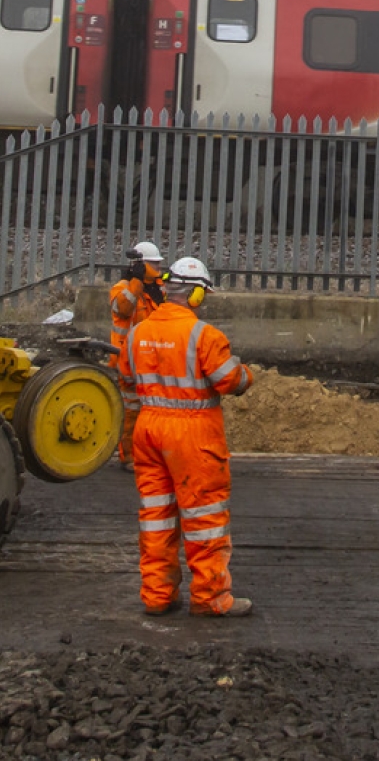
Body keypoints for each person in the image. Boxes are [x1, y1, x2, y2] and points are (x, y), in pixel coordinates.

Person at [118, 255, 253, 618]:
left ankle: (157, 595)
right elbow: (229, 380)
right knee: (204, 515)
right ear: (195, 296)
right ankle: (210, 598)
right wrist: (246, 375)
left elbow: (127, 379)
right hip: (192, 433)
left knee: (156, 515)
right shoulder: (204, 335)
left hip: (148, 430)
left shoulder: (138, 333)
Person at [109, 241, 165, 468]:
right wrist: (135, 283)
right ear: (140, 265)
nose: (158, 268)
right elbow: (123, 309)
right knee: (131, 410)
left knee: (154, 410)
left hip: (154, 360)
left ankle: (151, 455)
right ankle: (129, 456)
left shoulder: (159, 289)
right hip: (128, 361)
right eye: (154, 264)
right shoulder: (122, 288)